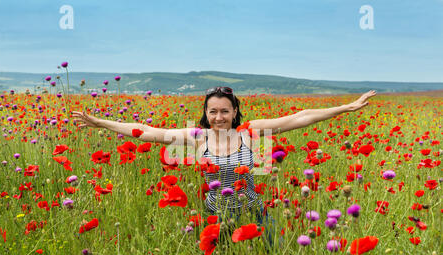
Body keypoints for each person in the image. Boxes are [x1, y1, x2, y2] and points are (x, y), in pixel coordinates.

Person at [72, 87, 376, 229]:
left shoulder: (249, 132)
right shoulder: (196, 137)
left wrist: (346, 108)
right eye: (212, 111)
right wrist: (101, 122)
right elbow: (147, 131)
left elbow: (300, 117)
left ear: (234, 112)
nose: (218, 117)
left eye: (224, 111)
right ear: (206, 113)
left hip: (255, 212)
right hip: (214, 214)